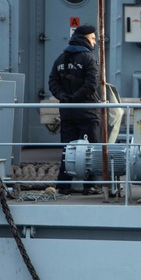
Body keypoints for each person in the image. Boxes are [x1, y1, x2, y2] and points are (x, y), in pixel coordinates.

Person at [48, 24, 102, 192]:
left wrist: (64, 97)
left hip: (67, 112)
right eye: (93, 39)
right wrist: (76, 98)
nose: (94, 42)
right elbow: (92, 84)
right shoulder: (88, 58)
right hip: (87, 112)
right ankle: (90, 185)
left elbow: (52, 82)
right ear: (86, 38)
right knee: (91, 149)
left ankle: (63, 186)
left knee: (68, 149)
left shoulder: (60, 58)